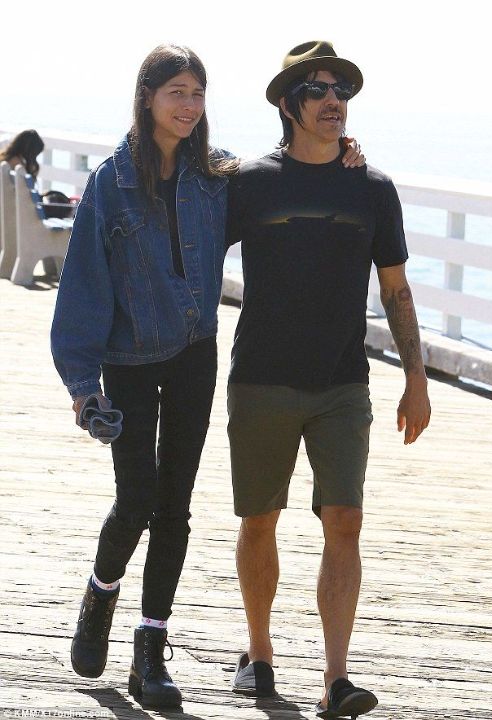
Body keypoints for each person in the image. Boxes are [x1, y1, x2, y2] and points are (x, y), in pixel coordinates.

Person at [50, 41, 366, 710]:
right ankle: (101, 593)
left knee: (175, 508)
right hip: (128, 358)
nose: (190, 106)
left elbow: (289, 176)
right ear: (148, 99)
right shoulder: (111, 183)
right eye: (177, 93)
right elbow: (81, 288)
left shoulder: (219, 180)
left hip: (193, 354)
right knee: (135, 500)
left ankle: (150, 648)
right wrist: (84, 391)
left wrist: (343, 159)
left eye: (198, 93)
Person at [226, 40, 431, 719]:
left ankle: (336, 678)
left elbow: (397, 290)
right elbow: (192, 255)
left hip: (345, 384)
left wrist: (417, 379)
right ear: (286, 104)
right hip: (260, 381)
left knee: (345, 520)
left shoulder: (371, 188)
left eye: (340, 87)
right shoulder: (251, 183)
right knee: (261, 523)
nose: (333, 98)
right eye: (315, 89)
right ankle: (258, 653)